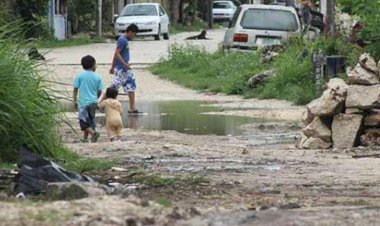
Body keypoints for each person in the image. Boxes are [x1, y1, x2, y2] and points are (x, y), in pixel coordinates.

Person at [109, 24, 140, 114]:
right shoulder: (122, 40)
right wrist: (121, 64)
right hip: (121, 69)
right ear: (130, 32)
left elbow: (117, 53)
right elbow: (117, 53)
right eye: (133, 34)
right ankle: (100, 103)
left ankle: (132, 108)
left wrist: (112, 66)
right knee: (113, 88)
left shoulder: (125, 40)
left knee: (131, 87)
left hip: (126, 69)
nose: (133, 37)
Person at [73, 55, 104, 142]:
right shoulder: (97, 77)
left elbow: (75, 89)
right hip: (93, 102)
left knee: (83, 121)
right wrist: (98, 101)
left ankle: (93, 133)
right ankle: (86, 138)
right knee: (90, 120)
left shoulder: (80, 76)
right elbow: (99, 91)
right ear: (93, 65)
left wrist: (74, 100)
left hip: (83, 103)